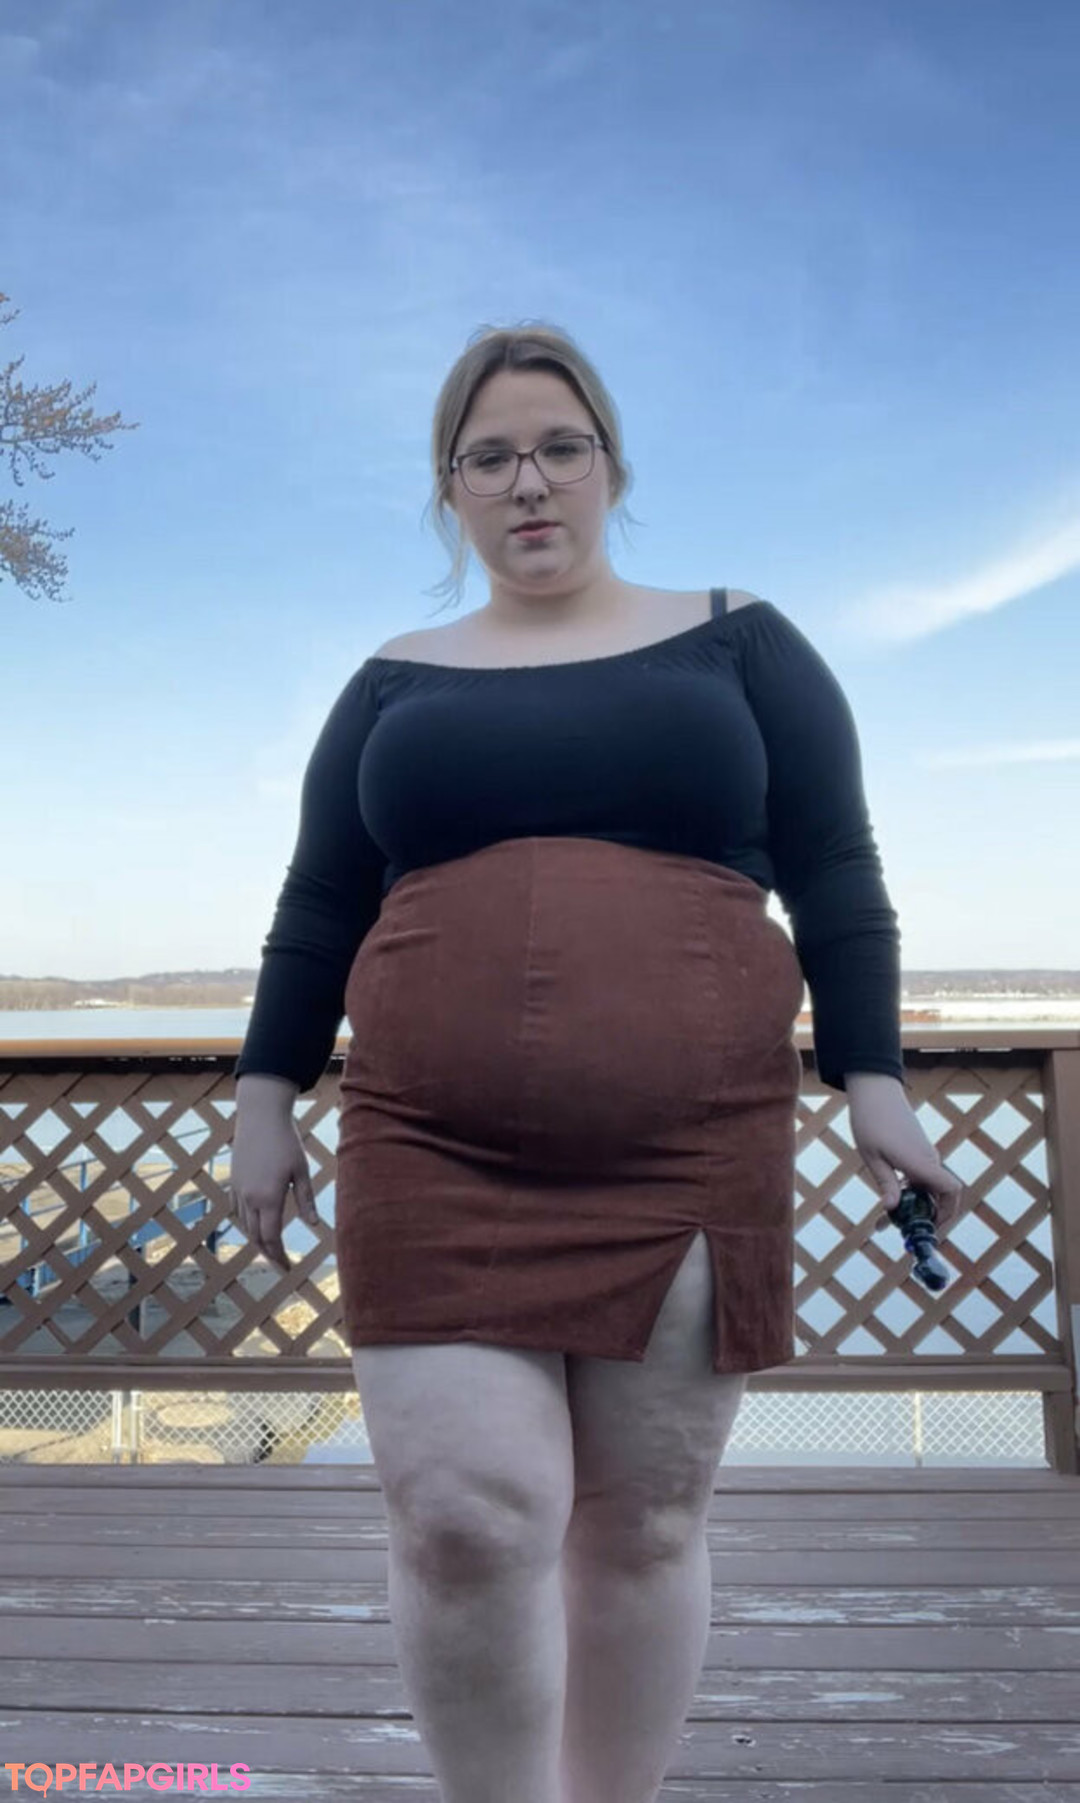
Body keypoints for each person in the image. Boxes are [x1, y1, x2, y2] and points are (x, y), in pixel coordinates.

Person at [230, 322, 965, 1803]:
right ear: (450, 489)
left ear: (612, 465)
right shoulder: (394, 679)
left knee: (643, 1525)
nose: (529, 482)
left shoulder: (739, 637)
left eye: (560, 447)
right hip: (429, 1151)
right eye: (488, 457)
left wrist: (874, 1081)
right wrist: (265, 1094)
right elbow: (319, 902)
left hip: (686, 1150)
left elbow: (836, 868)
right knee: (465, 1520)